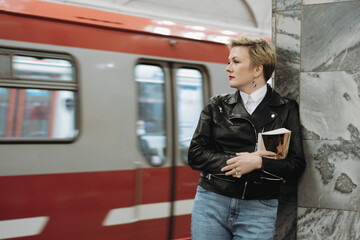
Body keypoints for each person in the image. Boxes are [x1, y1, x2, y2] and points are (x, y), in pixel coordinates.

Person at [188, 35, 306, 240]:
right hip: (211, 202)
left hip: (259, 209)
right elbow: (195, 155)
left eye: (235, 62)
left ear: (257, 69)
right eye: (228, 62)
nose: (228, 68)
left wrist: (259, 162)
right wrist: (240, 161)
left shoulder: (286, 109)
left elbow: (296, 165)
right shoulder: (216, 106)